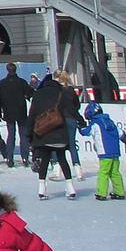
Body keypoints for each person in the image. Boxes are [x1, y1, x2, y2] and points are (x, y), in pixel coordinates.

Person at [25, 71, 81, 200]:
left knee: (45, 159)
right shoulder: (61, 93)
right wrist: (81, 120)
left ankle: (41, 189)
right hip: (59, 131)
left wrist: (29, 134)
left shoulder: (38, 94)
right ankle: (70, 188)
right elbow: (71, 109)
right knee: (62, 158)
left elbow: (32, 115)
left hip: (43, 133)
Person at [82, 101, 126, 201]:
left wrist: (81, 126)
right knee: (115, 172)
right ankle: (120, 192)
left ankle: (101, 193)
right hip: (115, 152)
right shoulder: (111, 122)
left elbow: (85, 132)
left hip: (104, 153)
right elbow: (122, 135)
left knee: (103, 173)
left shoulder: (95, 124)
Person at [0, 63, 31, 168]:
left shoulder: (2, 83)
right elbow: (30, 94)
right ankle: (25, 157)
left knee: (11, 135)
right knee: (23, 135)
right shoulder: (22, 82)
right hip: (21, 111)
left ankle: (10, 157)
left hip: (8, 112)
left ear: (7, 70)